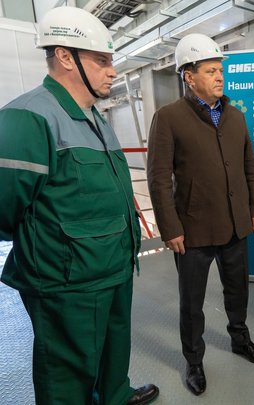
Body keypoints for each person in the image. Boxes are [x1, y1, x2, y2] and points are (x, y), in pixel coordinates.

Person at [0, 7, 158, 405]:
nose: (112, 71)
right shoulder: (28, 117)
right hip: (67, 284)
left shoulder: (95, 119)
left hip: (113, 268)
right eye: (102, 61)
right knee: (66, 377)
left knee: (113, 355)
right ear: (65, 57)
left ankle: (115, 396)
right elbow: (4, 208)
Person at [147, 33, 254, 396]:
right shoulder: (168, 118)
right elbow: (158, 178)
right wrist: (170, 228)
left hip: (235, 224)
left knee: (238, 290)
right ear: (189, 76)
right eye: (211, 71)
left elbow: (249, 166)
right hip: (193, 230)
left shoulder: (235, 116)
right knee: (192, 302)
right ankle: (194, 360)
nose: (219, 77)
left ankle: (240, 339)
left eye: (220, 70)